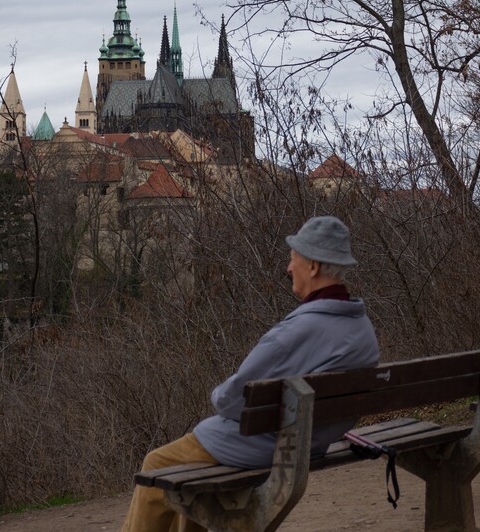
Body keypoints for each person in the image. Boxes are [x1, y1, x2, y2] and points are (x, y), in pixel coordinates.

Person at [121, 215, 379, 532]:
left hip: (266, 446)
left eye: (292, 258)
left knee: (157, 466)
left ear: (312, 266)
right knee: (187, 483)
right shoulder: (361, 326)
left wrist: (216, 394)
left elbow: (233, 399)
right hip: (312, 441)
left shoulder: (298, 330)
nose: (288, 267)